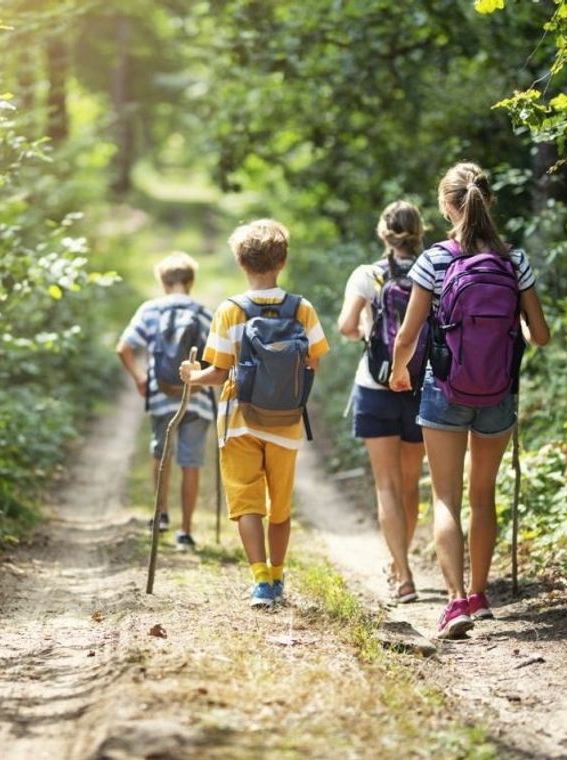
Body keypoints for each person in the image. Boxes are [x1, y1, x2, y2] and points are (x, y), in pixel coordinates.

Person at [389, 162, 550, 638]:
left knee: (445, 497)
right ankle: (480, 597)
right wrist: (512, 335)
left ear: (446, 205)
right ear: (489, 200)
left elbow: (408, 335)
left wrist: (398, 371)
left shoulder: (434, 259)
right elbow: (540, 334)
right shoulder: (513, 260)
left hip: (444, 387)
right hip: (498, 392)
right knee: (483, 496)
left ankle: (455, 601)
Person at [179, 219, 330, 607]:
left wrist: (192, 377)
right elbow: (314, 363)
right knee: (280, 507)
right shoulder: (302, 309)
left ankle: (261, 580)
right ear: (282, 261)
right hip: (287, 423)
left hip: (239, 422)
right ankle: (279, 576)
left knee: (247, 502)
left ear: (240, 263)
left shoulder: (230, 310)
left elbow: (218, 373)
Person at [336, 201, 427, 605]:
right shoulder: (433, 269)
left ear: (383, 233)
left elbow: (346, 326)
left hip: (375, 386)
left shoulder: (367, 275)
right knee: (410, 484)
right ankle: (399, 562)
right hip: (419, 387)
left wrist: (366, 333)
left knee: (386, 485)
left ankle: (402, 574)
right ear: (420, 231)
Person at [117, 251, 215, 552]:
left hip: (160, 395)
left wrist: (140, 378)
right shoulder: (203, 313)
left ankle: (160, 515)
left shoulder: (150, 311)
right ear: (191, 282)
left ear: (162, 282)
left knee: (161, 454)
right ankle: (185, 532)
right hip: (196, 397)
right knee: (191, 461)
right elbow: (219, 357)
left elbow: (124, 348)